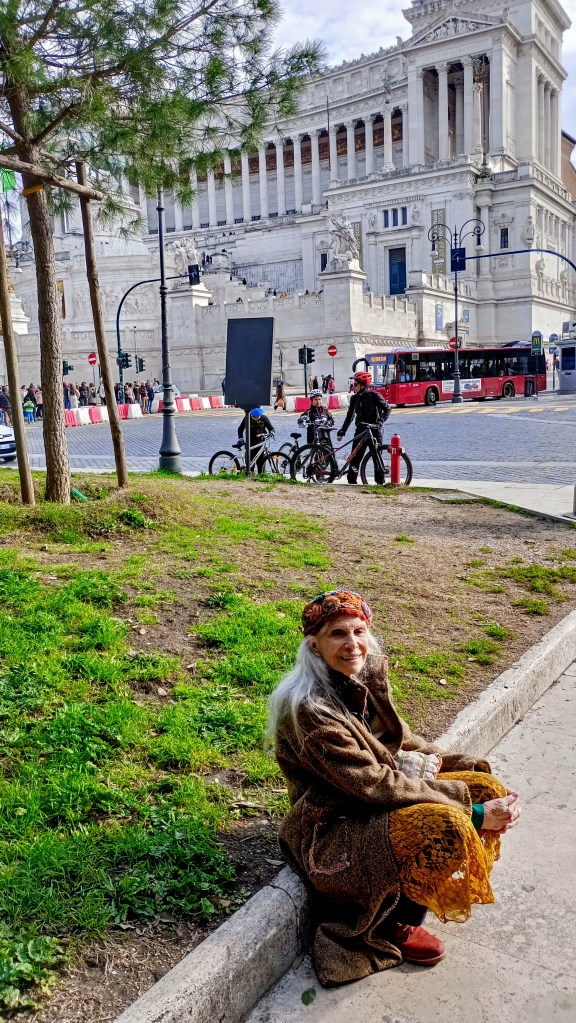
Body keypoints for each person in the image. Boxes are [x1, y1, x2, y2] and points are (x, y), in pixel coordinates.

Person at [268, 590, 521, 988]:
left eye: (359, 631)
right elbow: (374, 784)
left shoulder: (359, 679)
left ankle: (417, 885)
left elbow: (402, 743)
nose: (352, 644)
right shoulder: (309, 709)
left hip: (373, 799)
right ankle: (394, 924)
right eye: (338, 634)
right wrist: (472, 813)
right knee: (448, 824)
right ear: (314, 646)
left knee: (486, 788)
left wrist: (463, 766)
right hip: (334, 824)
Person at [337, 370, 391, 484]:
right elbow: (350, 416)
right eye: (353, 384)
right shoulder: (354, 398)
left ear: (363, 385)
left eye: (355, 384)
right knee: (355, 457)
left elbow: (387, 409)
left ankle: (380, 482)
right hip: (361, 430)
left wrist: (380, 422)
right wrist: (343, 430)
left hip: (374, 431)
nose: (353, 387)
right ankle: (352, 481)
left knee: (377, 457)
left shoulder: (374, 396)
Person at [237, 406, 274, 473]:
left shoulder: (264, 418)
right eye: (254, 417)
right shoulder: (247, 418)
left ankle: (261, 477)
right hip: (250, 443)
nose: (256, 419)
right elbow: (240, 429)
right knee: (250, 465)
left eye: (257, 417)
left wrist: (272, 432)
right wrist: (241, 438)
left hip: (261, 443)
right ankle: (250, 477)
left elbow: (271, 428)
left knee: (261, 464)